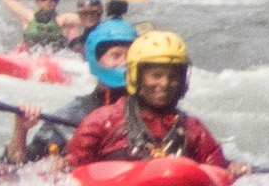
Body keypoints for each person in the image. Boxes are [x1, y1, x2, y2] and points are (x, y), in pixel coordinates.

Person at [61, 30, 233, 171]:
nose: (165, 84)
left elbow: (218, 173)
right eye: (156, 75)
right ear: (136, 77)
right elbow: (72, 170)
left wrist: (234, 169)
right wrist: (61, 165)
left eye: (173, 77)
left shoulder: (193, 129)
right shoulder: (102, 121)